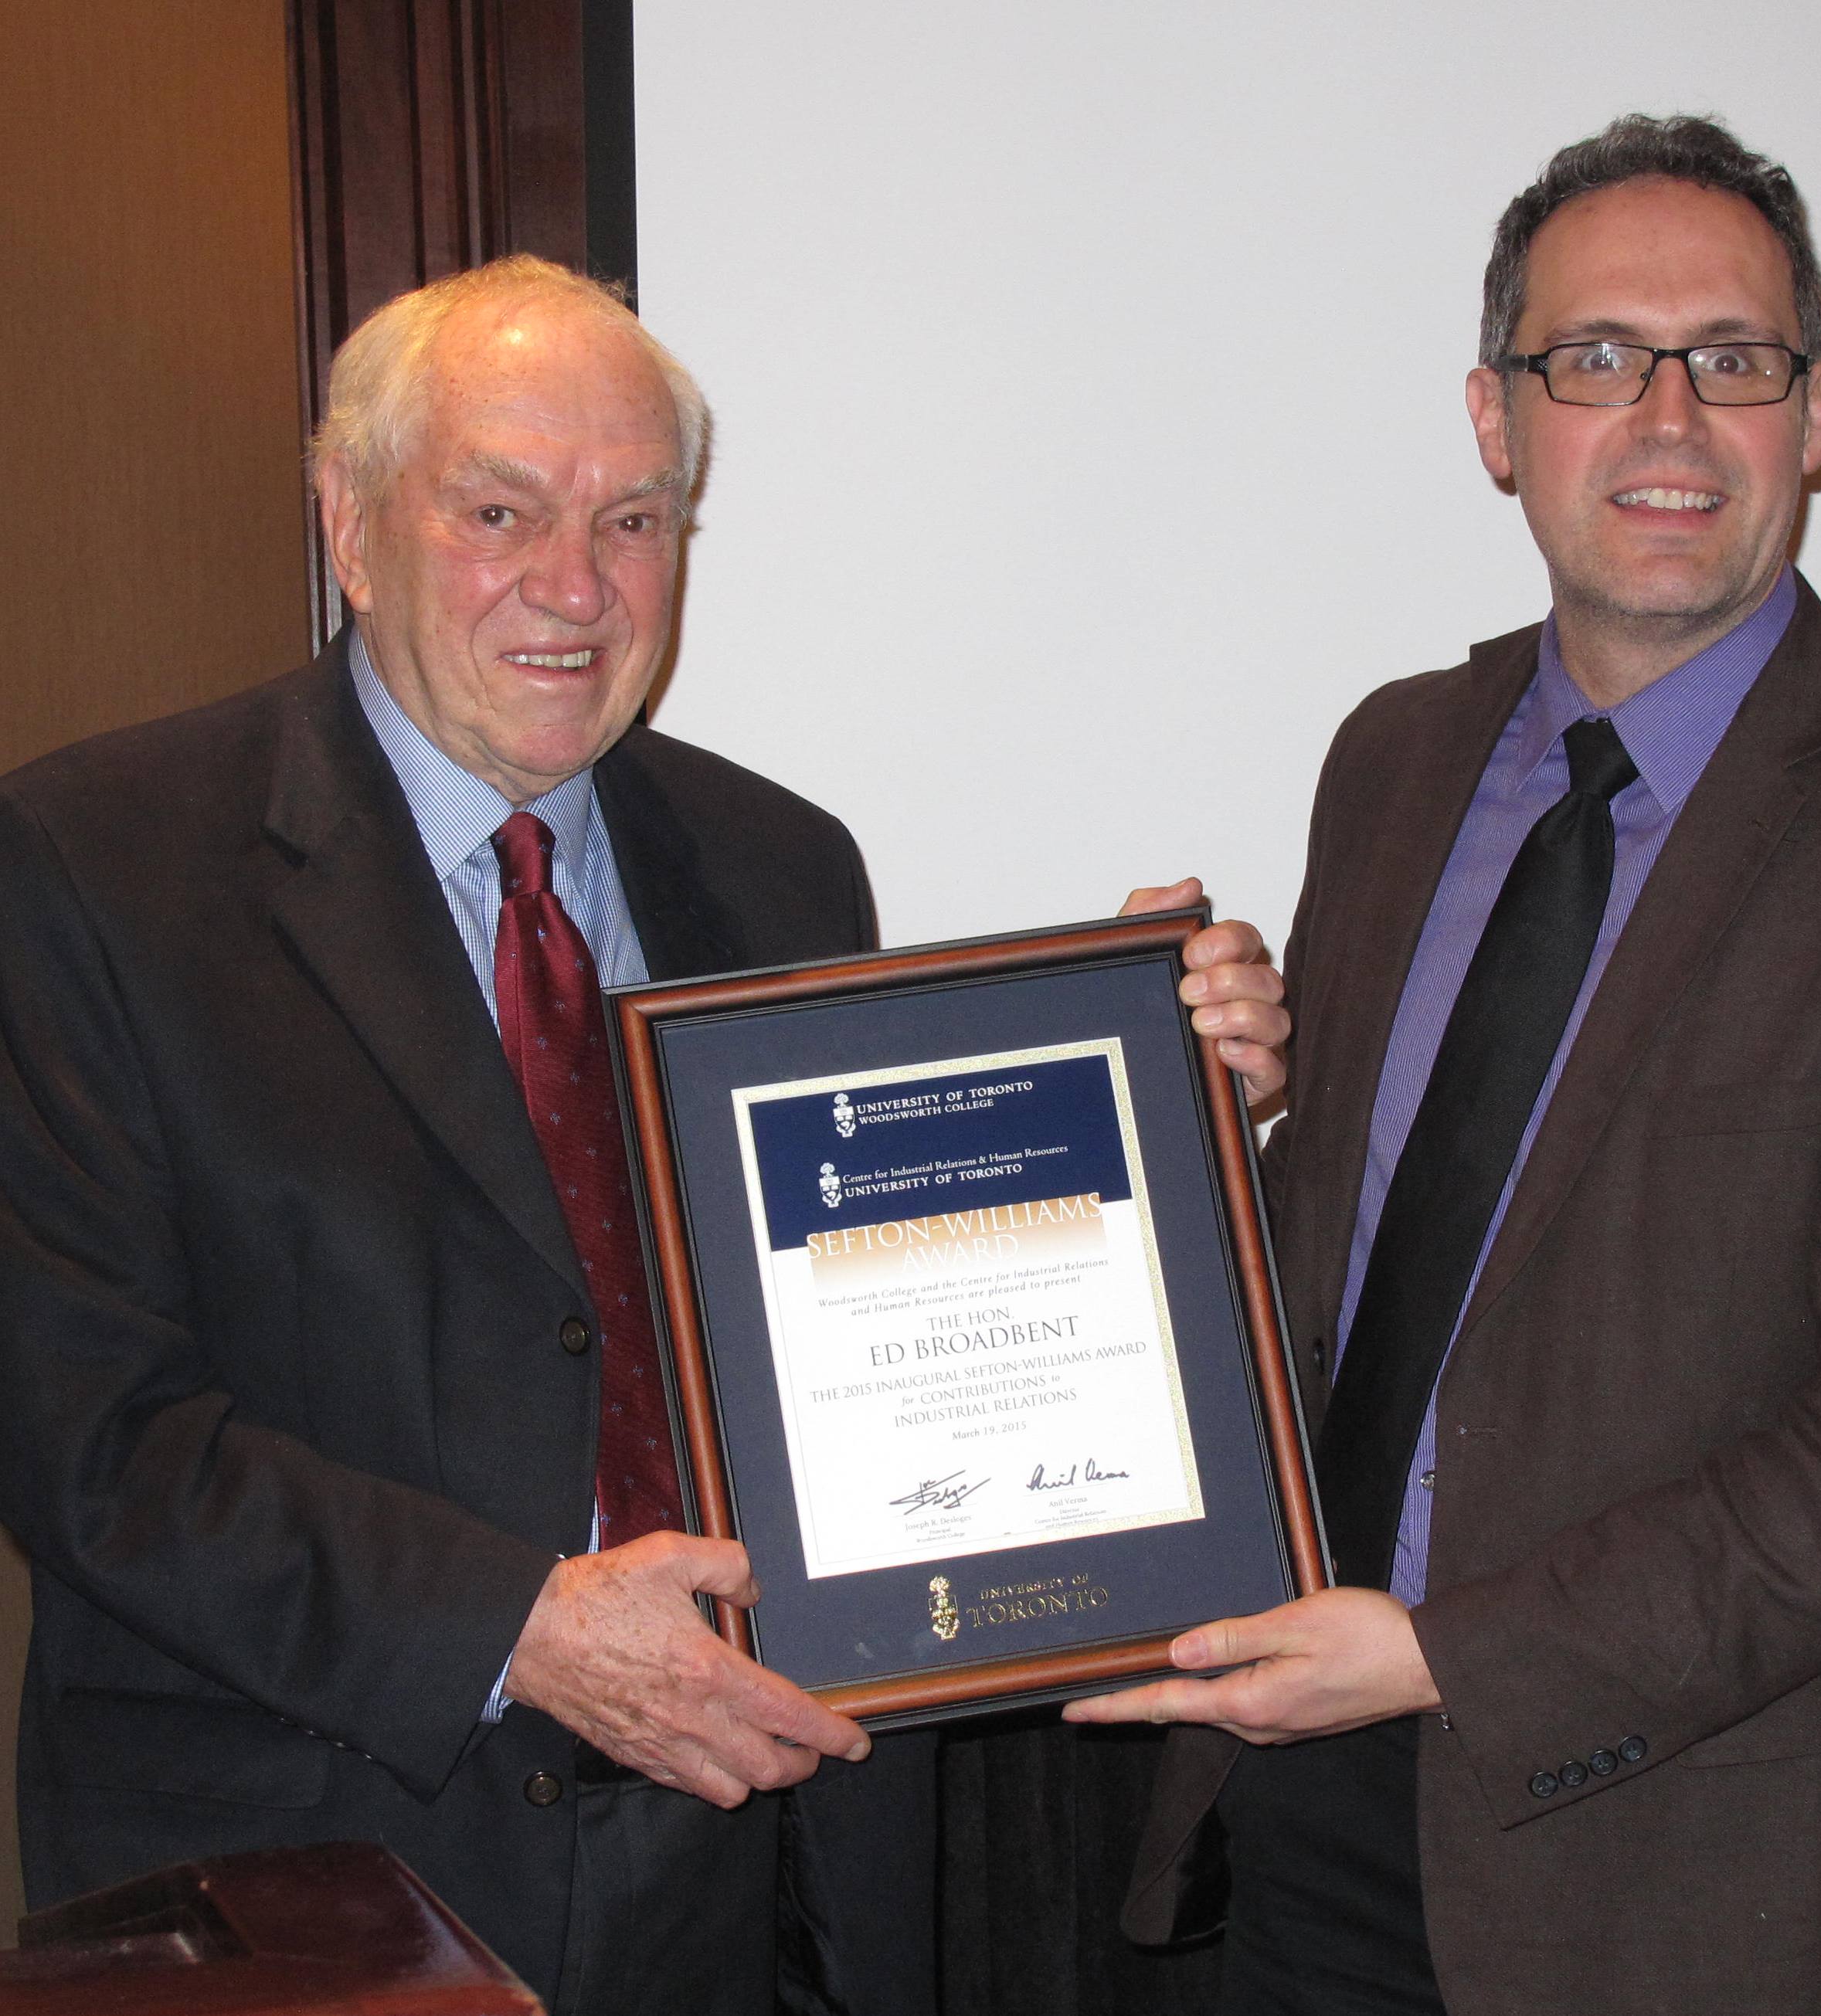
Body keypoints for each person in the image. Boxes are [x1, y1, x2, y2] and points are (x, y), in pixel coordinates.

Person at [0, 255, 1287, 2014]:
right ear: (351, 526)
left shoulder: (779, 864)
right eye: (497, 510)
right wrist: (521, 1626)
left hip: (730, 1875)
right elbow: (86, 1436)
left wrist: (1146, 1072)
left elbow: (857, 1287)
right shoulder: (92, 865)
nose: (573, 586)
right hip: (310, 1883)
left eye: (634, 520)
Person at [1068, 114, 1821, 2014]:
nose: (1665, 418)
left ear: (1813, 419)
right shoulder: (1392, 759)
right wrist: (1206, 1118)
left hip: (1701, 1887)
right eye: (1592, 360)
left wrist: (1446, 1655)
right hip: (1299, 1816)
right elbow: (1402, 1252)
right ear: (1495, 418)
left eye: (1732, 360)